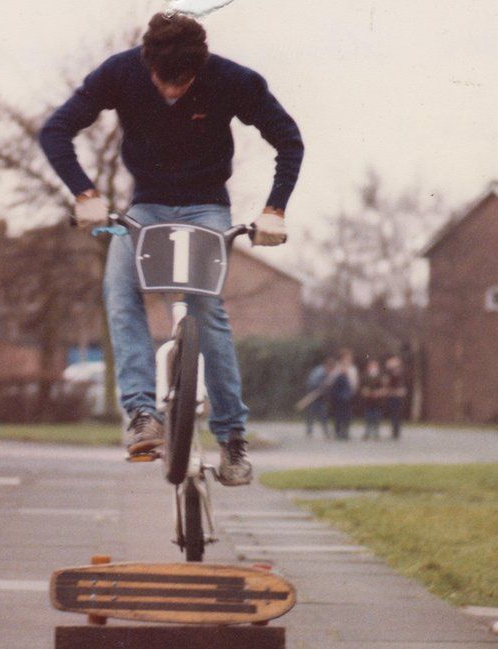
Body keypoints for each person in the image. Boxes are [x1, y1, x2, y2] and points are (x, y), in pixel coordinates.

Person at [40, 13, 304, 486]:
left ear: (199, 67)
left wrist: (274, 210)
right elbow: (56, 130)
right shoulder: (121, 73)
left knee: (207, 310)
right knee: (120, 291)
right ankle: (143, 415)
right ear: (148, 64)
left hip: (207, 208)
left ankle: (232, 439)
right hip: (146, 208)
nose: (172, 93)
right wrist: (85, 193)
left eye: (183, 83)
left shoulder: (232, 80)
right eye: (165, 81)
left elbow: (288, 139)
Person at [327, 349, 358, 440]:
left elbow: (354, 381)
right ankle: (338, 431)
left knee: (347, 414)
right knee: (338, 413)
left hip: (348, 394)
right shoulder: (337, 368)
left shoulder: (352, 369)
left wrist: (353, 390)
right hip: (337, 395)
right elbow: (330, 380)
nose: (348, 360)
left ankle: (345, 431)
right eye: (346, 358)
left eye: (349, 358)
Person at [304, 356, 333, 438]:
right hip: (313, 394)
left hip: (320, 395)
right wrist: (321, 386)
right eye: (330, 369)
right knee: (312, 412)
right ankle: (310, 431)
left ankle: (325, 431)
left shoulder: (322, 370)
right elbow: (312, 383)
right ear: (327, 366)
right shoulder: (320, 372)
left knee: (323, 413)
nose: (330, 371)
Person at [383, 355, 407, 440]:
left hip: (398, 396)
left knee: (397, 413)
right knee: (393, 413)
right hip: (392, 395)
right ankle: (394, 430)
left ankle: (396, 431)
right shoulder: (389, 374)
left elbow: (402, 385)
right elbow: (386, 384)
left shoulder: (401, 374)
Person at [361, 359, 384, 441]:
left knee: (377, 417)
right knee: (368, 417)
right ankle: (367, 432)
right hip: (368, 400)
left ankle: (376, 433)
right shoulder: (365, 376)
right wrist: (366, 392)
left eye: (374, 366)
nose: (373, 368)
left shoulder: (380, 376)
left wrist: (378, 392)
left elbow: (383, 388)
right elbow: (362, 387)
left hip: (377, 400)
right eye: (371, 366)